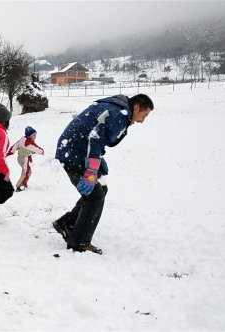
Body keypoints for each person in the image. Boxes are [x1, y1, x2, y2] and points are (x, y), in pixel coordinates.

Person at [53, 94, 154, 254]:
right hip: (73, 153)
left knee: (101, 189)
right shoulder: (119, 114)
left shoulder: (118, 109)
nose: (142, 120)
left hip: (77, 150)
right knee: (95, 195)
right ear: (136, 108)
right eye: (144, 115)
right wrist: (92, 169)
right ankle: (79, 242)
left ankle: (67, 223)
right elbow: (96, 137)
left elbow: (97, 134)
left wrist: (97, 159)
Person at [7, 126, 44, 192]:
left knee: (28, 171)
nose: (35, 137)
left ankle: (24, 183)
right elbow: (37, 148)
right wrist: (42, 151)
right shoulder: (29, 143)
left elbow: (15, 146)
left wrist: (10, 152)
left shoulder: (22, 139)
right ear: (29, 136)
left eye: (35, 135)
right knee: (26, 172)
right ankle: (19, 186)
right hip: (24, 159)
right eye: (33, 135)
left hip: (21, 158)